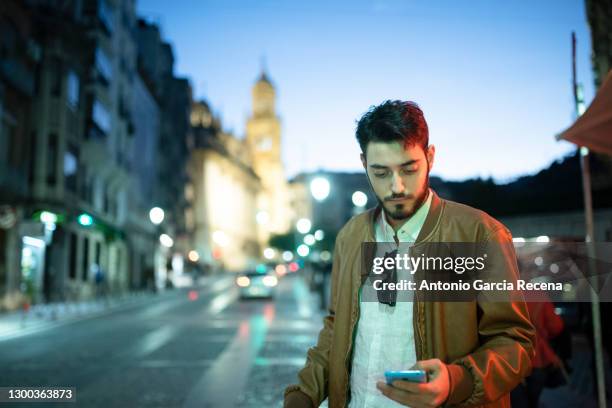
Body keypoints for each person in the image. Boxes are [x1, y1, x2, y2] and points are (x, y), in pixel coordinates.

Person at [284, 101, 535, 408]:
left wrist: (456, 381)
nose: (396, 186)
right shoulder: (351, 237)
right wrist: (303, 395)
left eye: (409, 168)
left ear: (430, 157)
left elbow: (515, 341)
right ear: (364, 164)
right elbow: (336, 328)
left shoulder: (480, 234)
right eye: (380, 172)